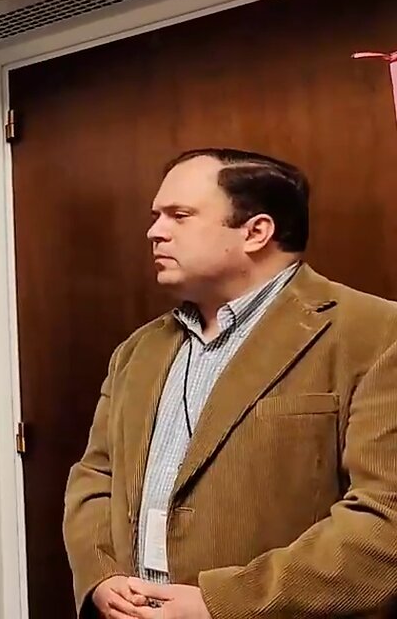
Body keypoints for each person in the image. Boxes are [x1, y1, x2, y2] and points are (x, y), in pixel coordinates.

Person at [63, 148, 397, 619]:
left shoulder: (376, 334)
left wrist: (223, 603)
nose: (154, 231)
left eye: (179, 215)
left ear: (256, 231)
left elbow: (387, 521)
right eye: (156, 215)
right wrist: (101, 575)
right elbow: (95, 476)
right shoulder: (137, 351)